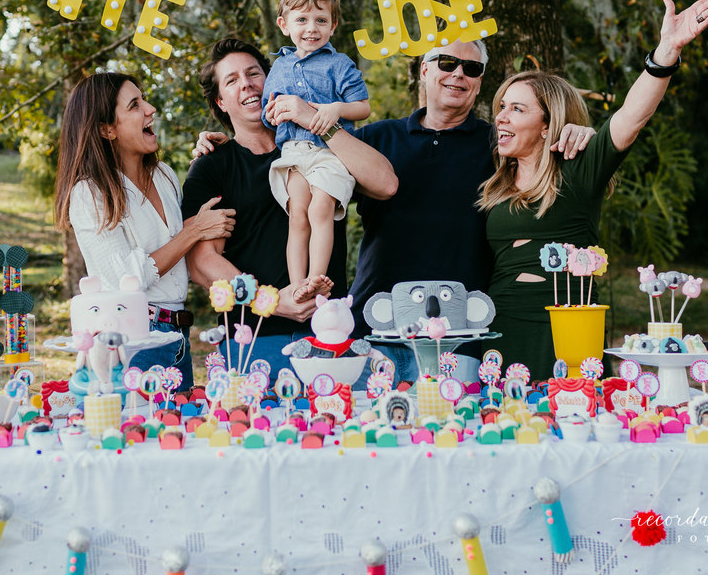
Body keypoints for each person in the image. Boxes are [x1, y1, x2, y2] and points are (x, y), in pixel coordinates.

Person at [223, 37, 595, 385]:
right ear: (424, 70)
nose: (458, 74)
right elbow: (292, 167)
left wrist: (578, 132)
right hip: (374, 330)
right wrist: (224, 146)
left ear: (480, 82)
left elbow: (546, 156)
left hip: (457, 339)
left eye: (471, 68)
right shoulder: (376, 138)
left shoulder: (497, 146)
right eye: (447, 63)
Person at [480, 0, 708, 380]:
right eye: (501, 107)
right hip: (498, 330)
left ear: (547, 125)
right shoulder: (494, 182)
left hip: (563, 331)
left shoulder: (578, 169)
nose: (501, 117)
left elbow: (632, 117)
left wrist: (666, 52)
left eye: (517, 108)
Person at [183, 38, 397, 381]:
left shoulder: (325, 145)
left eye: (254, 73)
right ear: (221, 102)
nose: (247, 84)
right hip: (254, 341)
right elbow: (200, 263)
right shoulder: (212, 166)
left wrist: (314, 118)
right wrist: (269, 301)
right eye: (232, 80)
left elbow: (386, 184)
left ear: (275, 79)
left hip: (331, 335)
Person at [54, 71, 235, 390]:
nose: (150, 109)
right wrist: (192, 232)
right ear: (107, 129)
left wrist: (221, 156)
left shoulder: (164, 175)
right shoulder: (90, 193)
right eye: (135, 105)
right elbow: (126, 277)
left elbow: (183, 255)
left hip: (178, 336)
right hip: (130, 343)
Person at [263, 0, 370, 302]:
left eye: (320, 20)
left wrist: (337, 108)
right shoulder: (279, 67)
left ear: (333, 25)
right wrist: (272, 114)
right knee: (298, 213)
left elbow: (362, 107)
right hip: (294, 151)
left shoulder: (339, 65)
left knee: (320, 209)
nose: (312, 28)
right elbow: (269, 112)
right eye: (302, 20)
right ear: (284, 25)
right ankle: (298, 284)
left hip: (328, 153)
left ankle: (316, 277)